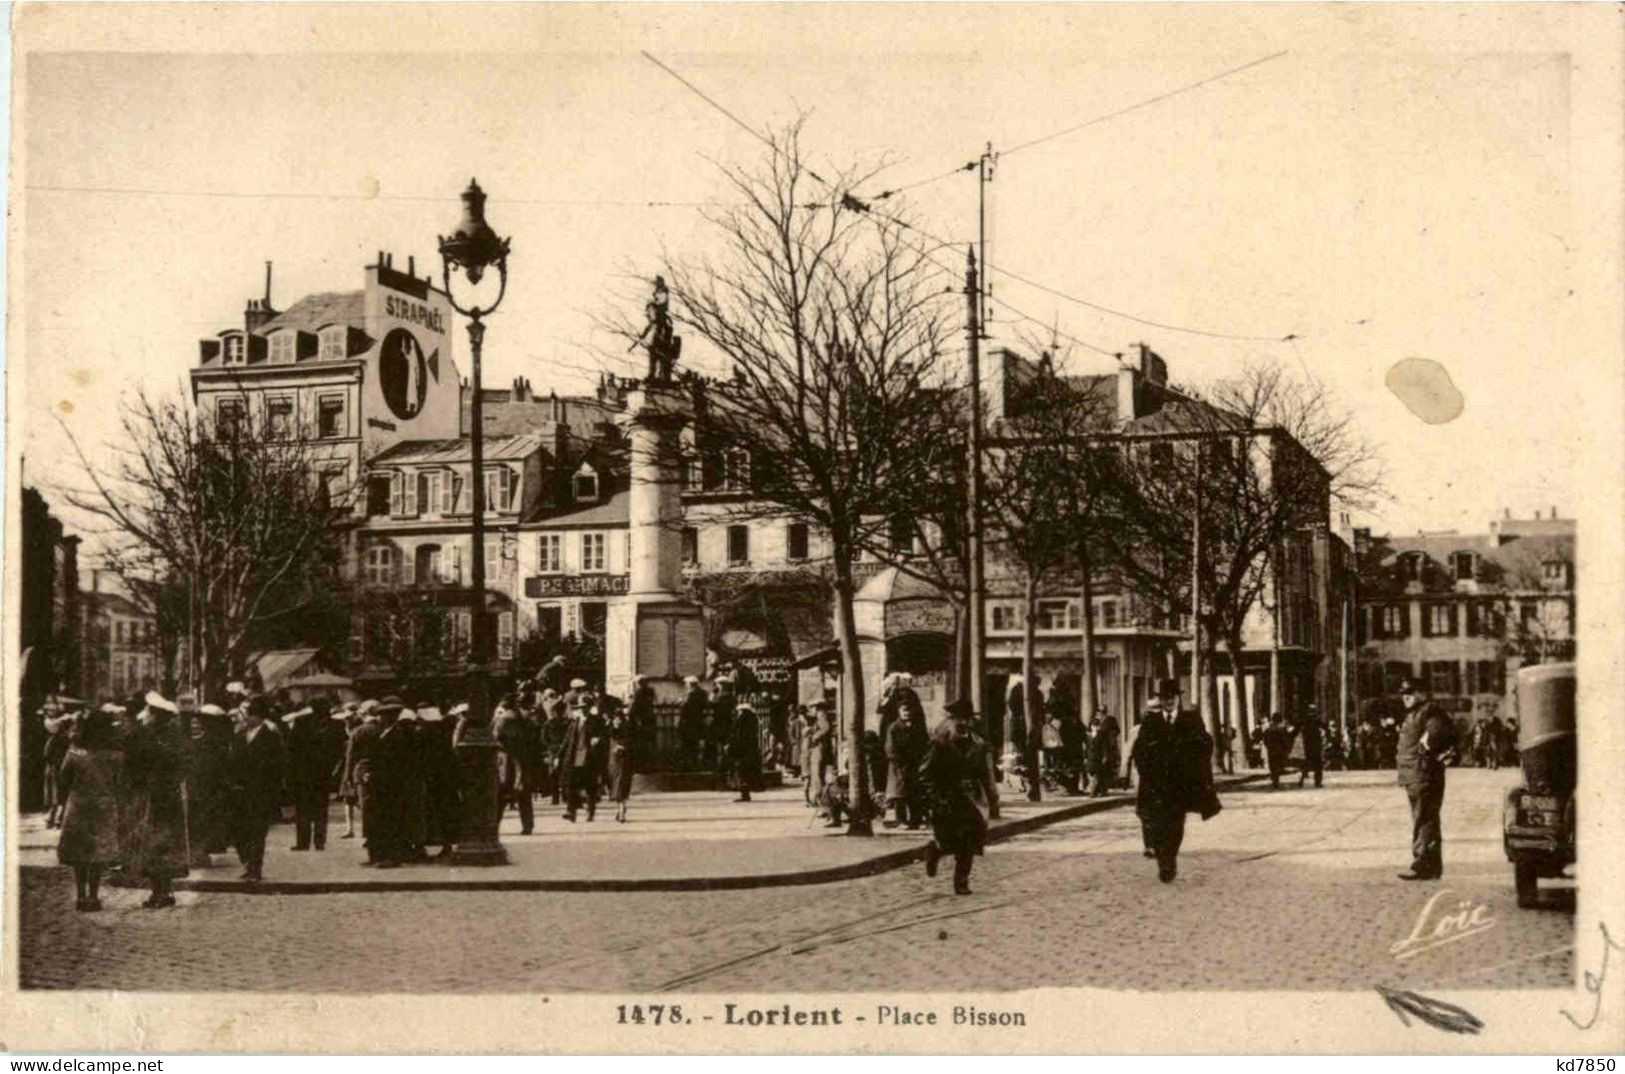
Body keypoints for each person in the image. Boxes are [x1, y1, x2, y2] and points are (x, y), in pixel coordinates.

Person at [1131, 679, 1216, 883]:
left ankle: (1170, 858)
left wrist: (1196, 764)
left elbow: (1206, 744)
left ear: (1178, 699)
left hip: (1180, 784)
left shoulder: (1191, 720)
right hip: (1156, 785)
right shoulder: (1150, 721)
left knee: (1176, 826)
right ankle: (1164, 863)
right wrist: (1147, 774)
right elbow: (1139, 751)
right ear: (1161, 700)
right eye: (1165, 698)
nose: (1168, 701)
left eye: (1172, 697)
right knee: (1159, 825)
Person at [919, 698, 996, 896]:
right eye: (958, 720)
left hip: (969, 798)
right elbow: (925, 772)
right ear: (950, 721)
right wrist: (934, 797)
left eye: (966, 719)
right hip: (946, 797)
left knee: (969, 840)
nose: (962, 724)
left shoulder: (977, 744)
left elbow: (984, 772)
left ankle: (961, 882)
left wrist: (990, 793)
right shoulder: (939, 743)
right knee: (948, 840)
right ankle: (934, 851)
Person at [122, 692, 190, 908]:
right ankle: (162, 891)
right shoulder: (171, 735)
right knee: (161, 846)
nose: (146, 716)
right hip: (166, 796)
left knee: (156, 845)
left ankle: (160, 892)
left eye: (149, 713)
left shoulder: (152, 737)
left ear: (158, 716)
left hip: (157, 798)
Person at [56, 709, 125, 912]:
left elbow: (63, 778)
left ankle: (80, 896)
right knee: (98, 854)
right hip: (105, 806)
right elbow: (121, 783)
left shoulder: (76, 751)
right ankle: (94, 897)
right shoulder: (116, 754)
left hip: (79, 806)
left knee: (79, 853)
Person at [1396, 679, 1456, 881]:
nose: (1406, 697)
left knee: (1424, 819)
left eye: (1411, 693)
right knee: (1426, 818)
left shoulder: (1429, 711)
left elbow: (1438, 734)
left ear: (1422, 694)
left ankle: (1421, 864)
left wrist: (1427, 748)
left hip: (1423, 774)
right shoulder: (1416, 713)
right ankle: (1432, 867)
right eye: (1404, 693)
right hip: (1415, 775)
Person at [227, 695, 286, 883]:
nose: (247, 719)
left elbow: (279, 764)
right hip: (239, 792)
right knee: (238, 831)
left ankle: (255, 869)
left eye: (251, 715)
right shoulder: (239, 736)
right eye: (247, 715)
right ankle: (247, 862)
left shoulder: (270, 737)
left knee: (257, 832)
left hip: (260, 792)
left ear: (260, 717)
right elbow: (230, 762)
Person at [369, 699, 415, 868]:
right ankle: (386, 855)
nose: (381, 718)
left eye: (383, 715)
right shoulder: (389, 732)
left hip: (392, 784)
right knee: (387, 819)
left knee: (391, 820)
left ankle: (392, 857)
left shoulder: (397, 734)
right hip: (386, 782)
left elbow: (396, 761)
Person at [283, 706, 331, 851]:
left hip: (302, 777)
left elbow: (290, 757)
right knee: (320, 811)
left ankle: (303, 842)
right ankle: (319, 841)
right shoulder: (321, 732)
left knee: (303, 810)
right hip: (320, 777)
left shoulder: (297, 733)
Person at [493, 694, 541, 834]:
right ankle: (528, 825)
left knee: (502, 794)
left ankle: (494, 825)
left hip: (507, 759)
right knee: (524, 794)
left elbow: (496, 738)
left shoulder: (502, 719)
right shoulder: (527, 718)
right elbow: (534, 739)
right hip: (523, 758)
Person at [418, 705, 461, 856]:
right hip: (447, 779)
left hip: (433, 779)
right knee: (446, 812)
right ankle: (447, 844)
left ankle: (439, 844)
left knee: (435, 812)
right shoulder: (446, 733)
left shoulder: (425, 734)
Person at [557, 695, 606, 822]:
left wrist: (598, 740)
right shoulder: (574, 722)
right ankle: (571, 812)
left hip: (589, 757)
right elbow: (566, 741)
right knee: (570, 785)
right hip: (573, 757)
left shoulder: (596, 720)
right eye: (580, 708)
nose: (582, 710)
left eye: (585, 707)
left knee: (590, 786)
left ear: (589, 708)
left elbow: (603, 735)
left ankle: (590, 812)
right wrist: (558, 756)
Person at [884, 693, 928, 828]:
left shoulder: (917, 727)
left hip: (914, 764)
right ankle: (901, 820)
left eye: (909, 710)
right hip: (899, 766)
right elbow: (890, 749)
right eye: (904, 710)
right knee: (900, 795)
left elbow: (923, 743)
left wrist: (921, 759)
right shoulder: (893, 728)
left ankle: (916, 820)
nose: (907, 713)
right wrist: (900, 761)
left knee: (915, 794)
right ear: (899, 712)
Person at [604, 697, 635, 822]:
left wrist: (623, 746)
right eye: (615, 718)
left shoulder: (628, 727)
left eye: (619, 718)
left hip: (623, 760)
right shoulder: (609, 728)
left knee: (621, 783)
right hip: (612, 760)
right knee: (614, 784)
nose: (617, 720)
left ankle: (621, 809)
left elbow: (632, 741)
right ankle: (619, 807)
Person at [43, 711, 74, 828]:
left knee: (57, 796)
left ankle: (53, 819)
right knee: (59, 795)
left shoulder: (56, 739)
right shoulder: (60, 740)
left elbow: (46, 755)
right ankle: (56, 819)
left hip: (56, 769)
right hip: (57, 769)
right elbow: (48, 755)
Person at [729, 700, 762, 802]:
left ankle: (745, 794)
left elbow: (737, 736)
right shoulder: (753, 720)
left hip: (742, 751)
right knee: (746, 772)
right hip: (751, 750)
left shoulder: (742, 722)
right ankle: (745, 793)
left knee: (742, 772)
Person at [678, 676, 708, 766]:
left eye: (687, 684)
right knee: (695, 742)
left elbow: (686, 709)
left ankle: (688, 762)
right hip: (698, 721)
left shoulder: (691, 695)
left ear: (690, 685)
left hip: (689, 722)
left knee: (687, 743)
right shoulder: (702, 694)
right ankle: (696, 761)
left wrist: (681, 703)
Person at [1297, 704, 1325, 788]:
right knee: (1318, 765)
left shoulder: (1305, 720)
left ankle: (1301, 780)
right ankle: (1318, 782)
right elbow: (1324, 727)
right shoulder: (1317, 720)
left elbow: (1298, 729)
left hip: (1308, 745)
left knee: (1307, 764)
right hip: (1316, 745)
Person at [1262, 713, 1292, 789]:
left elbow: (1265, 740)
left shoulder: (1268, 729)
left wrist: (1268, 746)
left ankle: (1275, 779)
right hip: (1279, 751)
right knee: (1278, 765)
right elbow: (1285, 740)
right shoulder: (1281, 729)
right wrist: (1287, 748)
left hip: (1271, 750)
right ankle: (1276, 779)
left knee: (1272, 765)